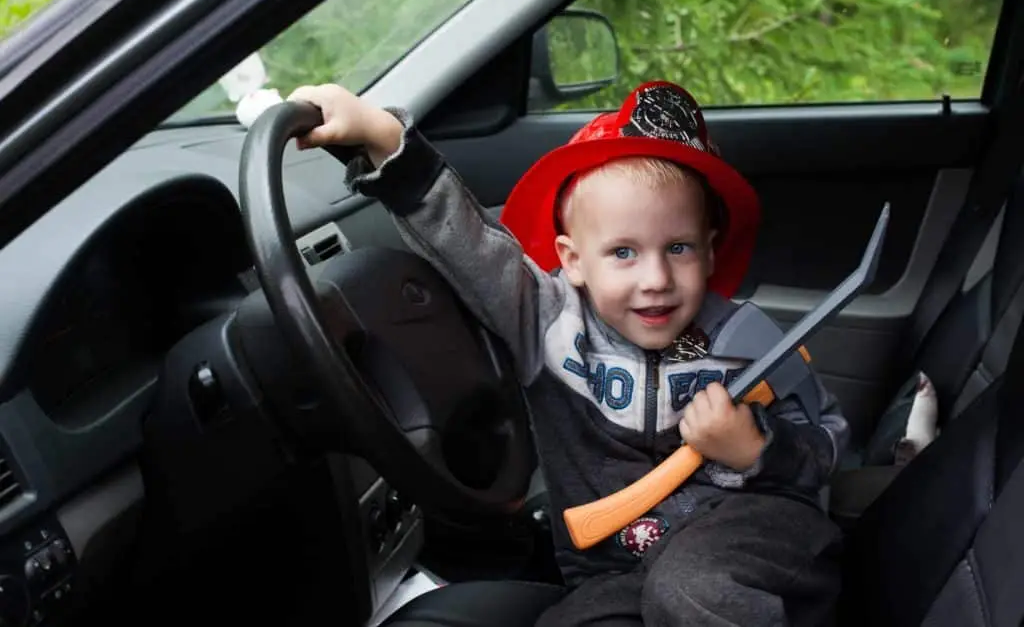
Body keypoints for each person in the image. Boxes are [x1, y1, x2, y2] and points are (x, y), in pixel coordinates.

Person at [288, 79, 848, 626]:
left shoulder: (744, 341)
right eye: (623, 252)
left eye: (677, 248)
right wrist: (385, 139)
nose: (655, 279)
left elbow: (827, 440)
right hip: (611, 567)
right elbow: (472, 244)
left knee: (693, 592)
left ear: (708, 252)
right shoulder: (548, 321)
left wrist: (756, 449)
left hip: (751, 531)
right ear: (573, 260)